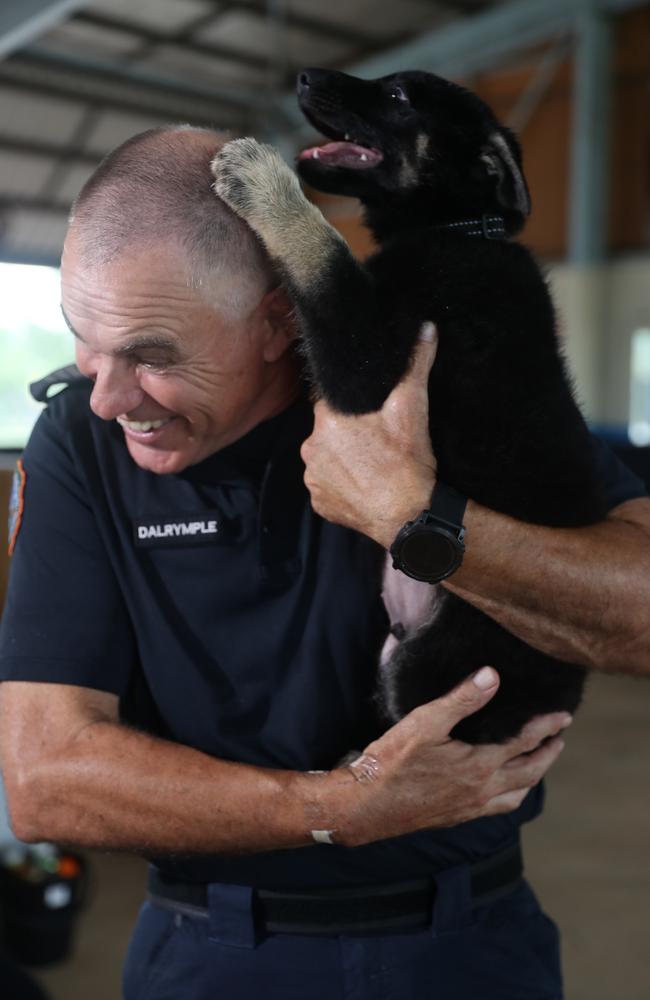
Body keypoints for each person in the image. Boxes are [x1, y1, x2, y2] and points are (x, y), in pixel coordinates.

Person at [0, 125, 647, 1000]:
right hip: (212, 948)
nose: (111, 398)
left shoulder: (431, 380)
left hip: (466, 944)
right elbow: (44, 781)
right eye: (87, 343)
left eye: (153, 356)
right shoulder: (82, 442)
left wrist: (418, 516)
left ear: (277, 318)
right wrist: (343, 807)